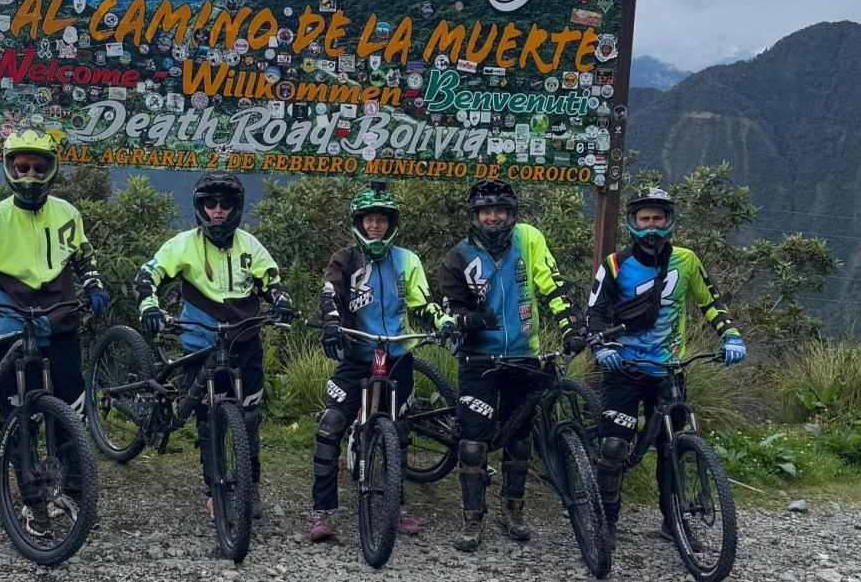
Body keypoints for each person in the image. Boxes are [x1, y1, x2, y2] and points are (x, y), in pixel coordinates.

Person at [0, 128, 107, 534]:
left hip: (61, 326)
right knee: (18, 421)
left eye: (39, 166)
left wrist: (94, 283)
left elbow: (83, 255)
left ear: (51, 169)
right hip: (13, 332)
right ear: (9, 168)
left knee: (72, 416)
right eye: (21, 166)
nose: (29, 174)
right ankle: (31, 504)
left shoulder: (67, 213)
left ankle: (76, 494)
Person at [133, 172, 294, 520]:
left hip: (245, 340)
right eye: (210, 204)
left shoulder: (251, 245)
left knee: (248, 420)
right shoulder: (183, 244)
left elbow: (273, 282)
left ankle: (250, 487)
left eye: (226, 204)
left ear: (236, 207)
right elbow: (148, 276)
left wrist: (282, 301)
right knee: (207, 421)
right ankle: (214, 490)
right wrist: (149, 305)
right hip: (200, 343)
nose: (217, 211)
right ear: (200, 207)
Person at [586, 187, 746, 532]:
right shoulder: (615, 264)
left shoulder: (686, 261)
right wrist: (602, 348)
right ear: (633, 223)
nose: (651, 227)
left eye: (658, 218)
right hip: (623, 368)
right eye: (644, 219)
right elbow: (595, 314)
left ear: (669, 222)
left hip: (669, 371)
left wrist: (731, 335)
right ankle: (606, 522)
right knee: (613, 446)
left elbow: (711, 303)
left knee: (672, 448)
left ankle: (672, 521)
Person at [437, 178, 585, 552]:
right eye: (485, 212)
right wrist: (465, 321)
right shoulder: (458, 256)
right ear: (474, 216)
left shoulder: (529, 239)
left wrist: (570, 324)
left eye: (500, 211)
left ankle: (513, 511)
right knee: (473, 444)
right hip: (479, 360)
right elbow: (448, 307)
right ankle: (472, 520)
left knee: (520, 439)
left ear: (512, 213)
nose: (493, 218)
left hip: (523, 355)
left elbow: (551, 284)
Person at [307, 186, 456, 543]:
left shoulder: (407, 260)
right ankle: (322, 510)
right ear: (359, 222)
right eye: (369, 219)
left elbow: (422, 303)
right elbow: (330, 295)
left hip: (397, 355)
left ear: (391, 224)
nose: (375, 225)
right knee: (330, 426)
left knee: (399, 431)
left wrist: (443, 323)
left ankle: (397, 504)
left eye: (382, 219)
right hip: (356, 354)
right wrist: (330, 324)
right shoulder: (344, 259)